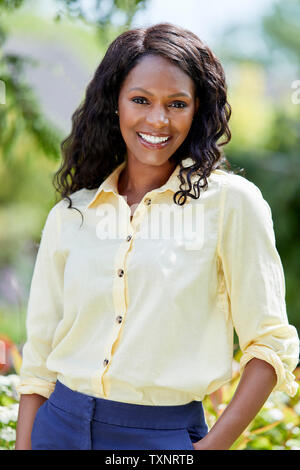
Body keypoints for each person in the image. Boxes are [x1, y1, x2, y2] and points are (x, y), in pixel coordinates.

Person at [15, 23, 299, 451]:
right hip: (58, 427)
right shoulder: (70, 215)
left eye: (177, 104)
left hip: (161, 440)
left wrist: (208, 449)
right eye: (141, 100)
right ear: (115, 104)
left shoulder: (230, 205)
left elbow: (270, 344)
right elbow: (38, 362)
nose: (158, 120)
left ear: (197, 109)